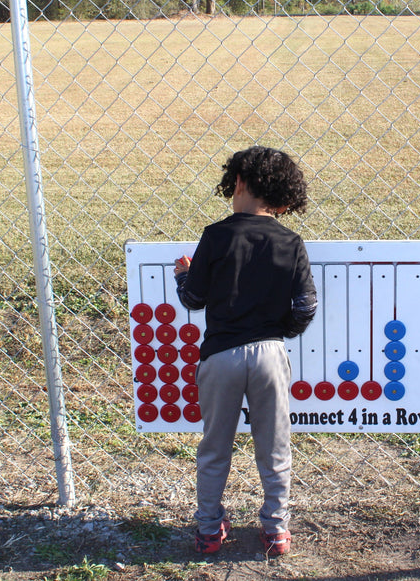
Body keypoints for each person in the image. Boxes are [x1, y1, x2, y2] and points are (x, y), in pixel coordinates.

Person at [174, 146, 317, 557]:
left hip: (220, 356)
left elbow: (195, 300)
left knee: (215, 446)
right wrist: (277, 333)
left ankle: (208, 529)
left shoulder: (216, 235)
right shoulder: (291, 241)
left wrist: (183, 275)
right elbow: (306, 306)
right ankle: (276, 529)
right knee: (274, 445)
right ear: (282, 195)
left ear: (236, 182)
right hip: (270, 354)